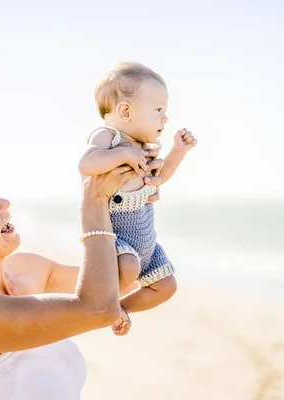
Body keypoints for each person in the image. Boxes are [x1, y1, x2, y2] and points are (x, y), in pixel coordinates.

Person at [0, 157, 163, 399]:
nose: (3, 203)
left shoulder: (27, 268)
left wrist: (130, 200)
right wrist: (93, 205)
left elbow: (121, 279)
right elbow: (99, 308)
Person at [79, 61, 198, 334]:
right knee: (129, 268)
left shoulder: (145, 147)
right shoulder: (109, 137)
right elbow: (86, 163)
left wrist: (178, 151)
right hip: (119, 241)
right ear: (125, 111)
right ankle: (103, 306)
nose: (165, 118)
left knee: (166, 286)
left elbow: (159, 177)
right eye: (158, 110)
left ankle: (123, 307)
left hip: (147, 241)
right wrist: (122, 154)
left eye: (165, 111)